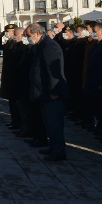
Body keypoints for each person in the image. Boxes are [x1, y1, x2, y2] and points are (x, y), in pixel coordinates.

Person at [27, 23, 70, 161]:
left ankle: (59, 150)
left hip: (52, 93)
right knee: (49, 123)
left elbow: (54, 71)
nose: (28, 38)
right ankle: (53, 146)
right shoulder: (41, 45)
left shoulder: (49, 46)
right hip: (44, 93)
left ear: (37, 33)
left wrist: (54, 90)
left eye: (29, 36)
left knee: (55, 123)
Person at [0, 24, 19, 129]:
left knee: (16, 102)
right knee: (11, 101)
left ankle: (18, 122)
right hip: (8, 74)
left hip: (15, 75)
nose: (8, 33)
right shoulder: (9, 42)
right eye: (7, 31)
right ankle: (14, 121)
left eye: (10, 31)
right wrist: (0, 36)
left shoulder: (17, 43)